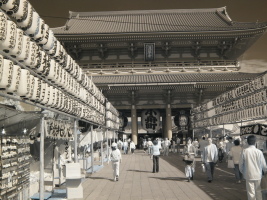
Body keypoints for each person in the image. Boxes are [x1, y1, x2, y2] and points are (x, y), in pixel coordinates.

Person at [239, 135, 267, 200]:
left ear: (247, 142)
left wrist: (243, 172)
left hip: (248, 174)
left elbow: (241, 164)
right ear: (255, 142)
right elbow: (264, 165)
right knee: (258, 191)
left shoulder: (244, 151)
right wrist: (265, 171)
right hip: (258, 175)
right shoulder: (259, 152)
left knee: (250, 192)